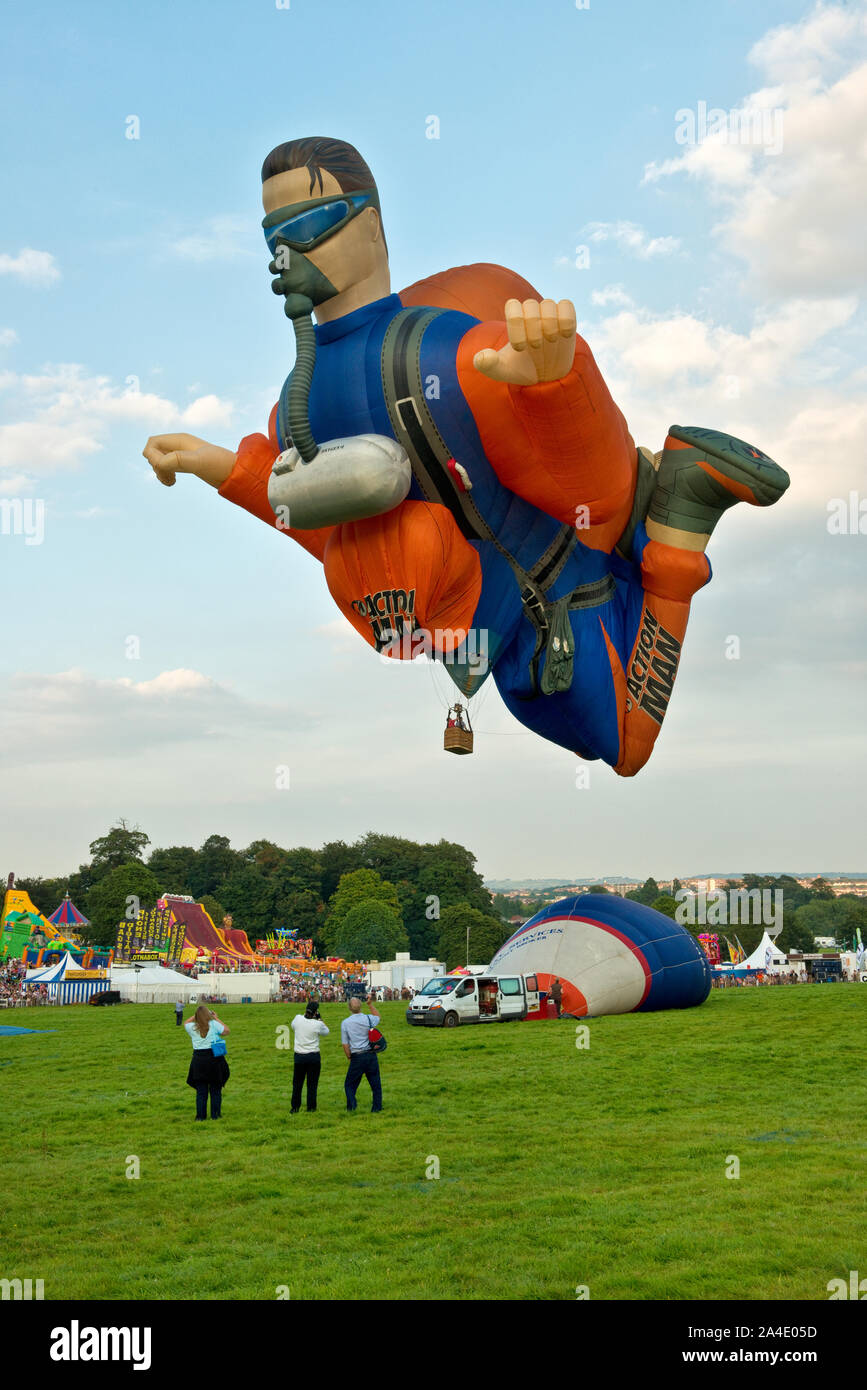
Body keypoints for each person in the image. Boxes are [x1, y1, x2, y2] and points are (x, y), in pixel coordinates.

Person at [184, 1005, 230, 1120]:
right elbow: (226, 1031)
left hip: (199, 1060)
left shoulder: (192, 1027)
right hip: (214, 1058)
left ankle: (200, 1117)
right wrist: (215, 1018)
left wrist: (196, 1016)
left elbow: (185, 1022)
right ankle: (215, 1115)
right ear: (208, 1015)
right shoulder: (213, 1024)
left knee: (201, 1091)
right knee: (215, 1089)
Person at [341, 996, 382, 1113]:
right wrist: (370, 1005)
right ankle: (376, 1108)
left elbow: (345, 1044)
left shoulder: (345, 1023)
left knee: (349, 1084)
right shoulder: (368, 1019)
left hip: (357, 1055)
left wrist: (349, 1056)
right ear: (361, 1006)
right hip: (370, 1054)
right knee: (375, 1084)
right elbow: (378, 1017)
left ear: (349, 1008)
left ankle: (352, 1106)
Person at [290, 999, 329, 1113]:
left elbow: (293, 1026)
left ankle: (295, 1107)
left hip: (299, 1056)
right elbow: (326, 1032)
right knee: (312, 1084)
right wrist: (320, 1019)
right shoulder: (317, 1024)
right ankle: (311, 1108)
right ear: (316, 1012)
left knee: (297, 1084)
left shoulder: (297, 1018)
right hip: (313, 1056)